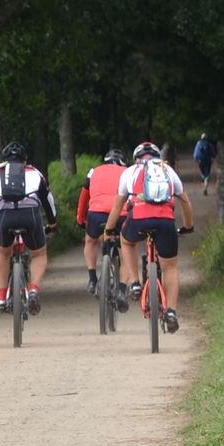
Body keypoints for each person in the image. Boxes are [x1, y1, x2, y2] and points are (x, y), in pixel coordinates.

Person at [104, 141, 197, 331]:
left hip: (138, 219)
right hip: (165, 222)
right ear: (158, 157)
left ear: (136, 159)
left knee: (126, 241)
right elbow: (185, 202)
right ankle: (171, 311)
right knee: (170, 268)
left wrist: (108, 230)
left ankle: (135, 282)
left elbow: (117, 206)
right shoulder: (168, 171)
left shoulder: (129, 172)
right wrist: (188, 226)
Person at [0, 141, 57, 314]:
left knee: (3, 252)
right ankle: (34, 289)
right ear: (25, 160)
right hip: (30, 216)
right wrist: (52, 223)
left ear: (5, 159)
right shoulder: (35, 172)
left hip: (4, 218)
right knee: (39, 254)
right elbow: (47, 200)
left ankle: (0, 297)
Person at [76, 148, 126, 299]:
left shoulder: (94, 171)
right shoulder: (127, 172)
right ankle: (123, 288)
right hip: (120, 214)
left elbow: (84, 196)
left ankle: (92, 279)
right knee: (126, 247)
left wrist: (80, 219)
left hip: (96, 213)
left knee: (90, 241)